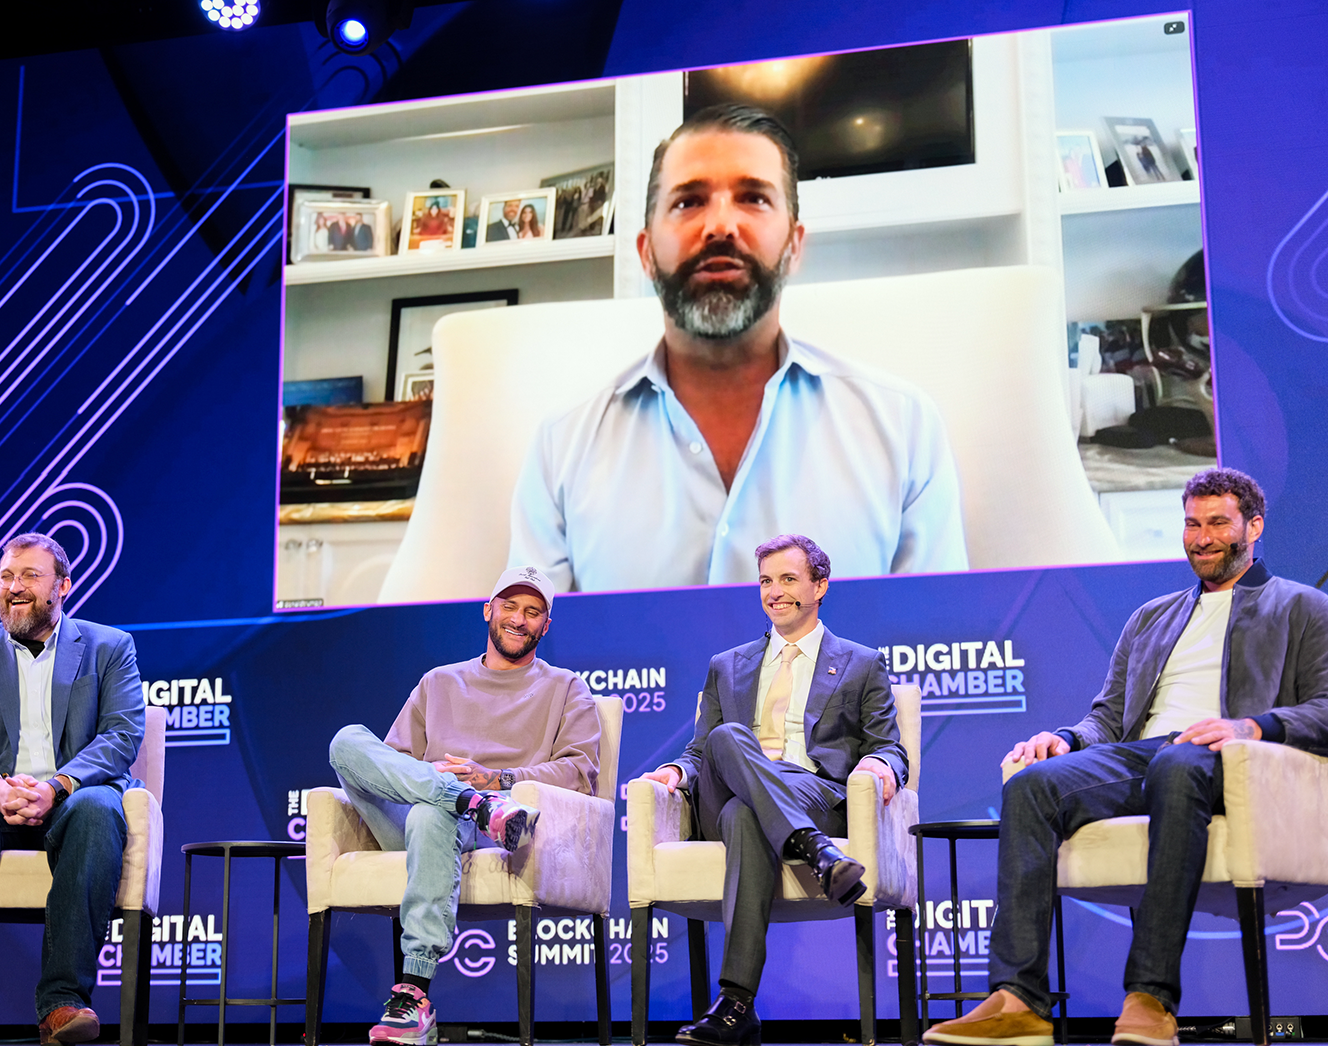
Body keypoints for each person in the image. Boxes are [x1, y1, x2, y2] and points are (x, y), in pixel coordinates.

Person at [921, 468, 1328, 1046]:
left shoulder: (1303, 606)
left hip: (1233, 761)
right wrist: (1068, 739)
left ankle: (1151, 998)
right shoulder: (1152, 618)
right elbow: (1106, 717)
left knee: (1176, 765)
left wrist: (1250, 726)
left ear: (1254, 527)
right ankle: (1018, 1000)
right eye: (1191, 524)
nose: (1201, 538)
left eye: (1218, 523)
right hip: (1144, 754)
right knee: (1031, 784)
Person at [509, 103, 968, 592]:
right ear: (645, 253)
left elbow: (938, 647)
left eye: (753, 198)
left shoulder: (903, 427)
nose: (721, 226)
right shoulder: (562, 448)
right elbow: (529, 658)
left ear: (794, 245)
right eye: (688, 202)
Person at [638, 534, 906, 1046]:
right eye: (765, 580)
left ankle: (736, 1004)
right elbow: (703, 752)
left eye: (788, 579)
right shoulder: (727, 664)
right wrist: (676, 773)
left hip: (812, 793)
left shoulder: (861, 662)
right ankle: (816, 853)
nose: (774, 592)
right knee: (727, 737)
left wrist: (879, 764)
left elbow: (890, 747)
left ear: (820, 585)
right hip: (738, 785)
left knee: (745, 815)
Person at [327, 565, 602, 1045]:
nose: (519, 619)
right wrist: (450, 786)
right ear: (488, 610)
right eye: (510, 606)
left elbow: (579, 771)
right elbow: (394, 765)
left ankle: (413, 993)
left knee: (435, 812)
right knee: (347, 741)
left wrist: (498, 779)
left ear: (546, 625)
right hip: (427, 814)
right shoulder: (438, 682)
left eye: (533, 612)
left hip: (503, 823)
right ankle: (466, 801)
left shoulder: (566, 688)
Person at [0, 534, 146, 1046]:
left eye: (29, 577)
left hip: (69, 795)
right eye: (5, 577)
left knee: (98, 808)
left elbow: (122, 734)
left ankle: (62, 1003)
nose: (14, 588)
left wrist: (57, 786)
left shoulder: (109, 648)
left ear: (63, 586)